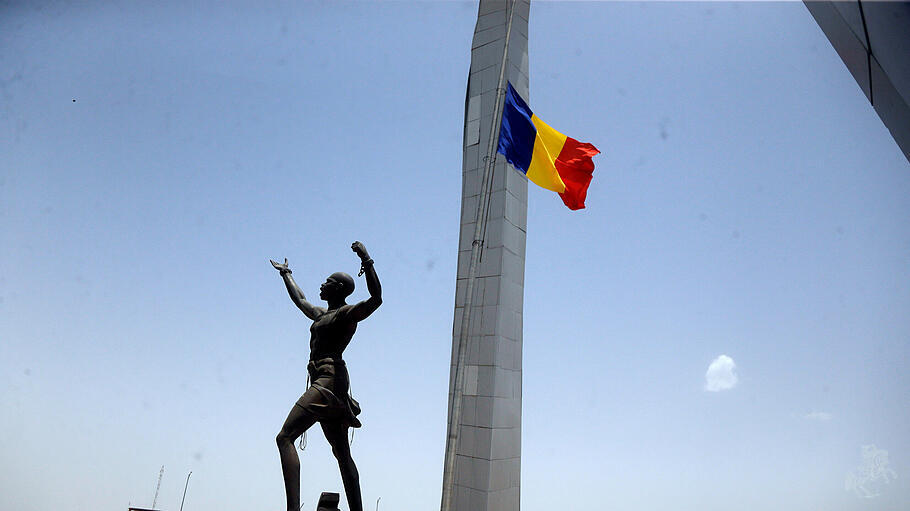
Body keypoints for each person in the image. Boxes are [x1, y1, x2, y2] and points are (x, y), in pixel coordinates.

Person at [270, 241, 381, 511]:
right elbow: (300, 300)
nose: (322, 284)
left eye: (328, 282)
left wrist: (366, 260)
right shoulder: (322, 314)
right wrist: (287, 273)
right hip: (328, 381)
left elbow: (376, 299)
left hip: (328, 381)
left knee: (285, 437)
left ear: (339, 289)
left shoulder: (346, 314)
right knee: (342, 454)